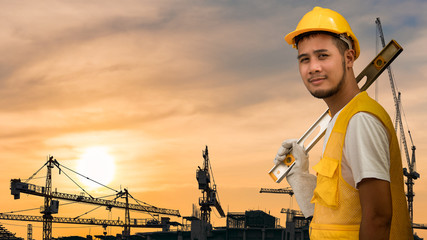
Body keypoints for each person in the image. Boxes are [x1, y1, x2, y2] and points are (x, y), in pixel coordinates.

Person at [274, 6, 413, 240]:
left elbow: (378, 218)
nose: (313, 67)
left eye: (323, 56)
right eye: (304, 59)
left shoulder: (360, 121)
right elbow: (342, 215)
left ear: (348, 58)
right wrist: (302, 180)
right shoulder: (340, 121)